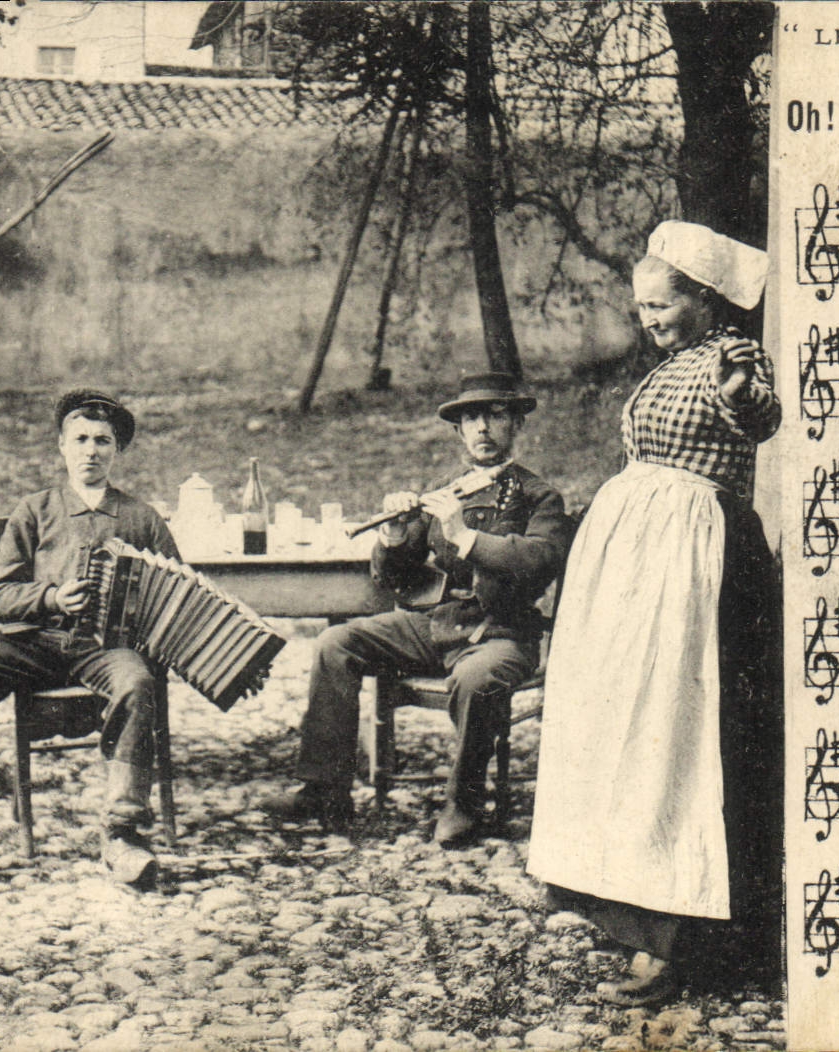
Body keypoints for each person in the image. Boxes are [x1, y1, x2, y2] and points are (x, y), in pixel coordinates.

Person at [526, 220, 784, 1005]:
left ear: (705, 300)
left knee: (680, 735)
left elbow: (762, 417)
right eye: (641, 308)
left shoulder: (732, 356)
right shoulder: (672, 363)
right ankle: (626, 904)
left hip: (695, 562)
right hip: (641, 568)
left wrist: (739, 394)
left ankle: (682, 938)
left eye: (662, 306)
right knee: (624, 729)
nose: (650, 320)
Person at [258, 374, 575, 848]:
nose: (482, 428)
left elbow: (539, 561)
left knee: (476, 681)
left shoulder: (539, 496)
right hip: (436, 625)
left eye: (495, 416)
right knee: (335, 643)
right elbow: (397, 578)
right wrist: (394, 536)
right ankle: (324, 789)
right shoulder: (447, 490)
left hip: (501, 633)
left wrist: (463, 534)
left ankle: (464, 804)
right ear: (459, 431)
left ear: (516, 424)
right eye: (471, 419)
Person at [0, 390, 178, 887]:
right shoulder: (35, 510)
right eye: (80, 439)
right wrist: (51, 598)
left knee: (138, 683)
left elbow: (175, 597)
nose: (91, 451)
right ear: (61, 446)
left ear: (117, 451)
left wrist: (136, 622)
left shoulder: (143, 518)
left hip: (105, 650)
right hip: (33, 643)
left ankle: (123, 834)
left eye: (102, 441)